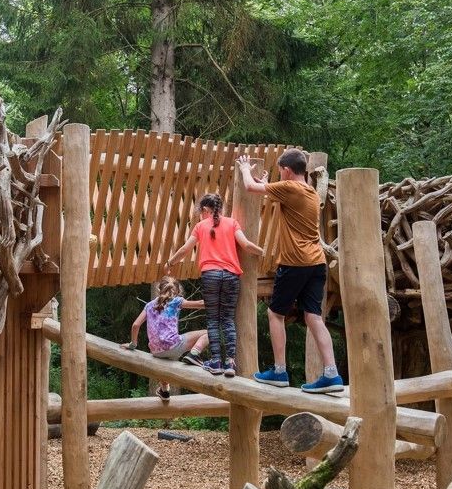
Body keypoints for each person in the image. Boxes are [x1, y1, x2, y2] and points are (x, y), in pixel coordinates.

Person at [237, 150, 345, 393]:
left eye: (280, 171)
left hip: (295, 262)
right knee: (314, 317)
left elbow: (249, 188)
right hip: (316, 263)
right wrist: (266, 183)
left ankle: (279, 370)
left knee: (276, 314)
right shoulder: (307, 191)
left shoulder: (289, 188)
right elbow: (276, 194)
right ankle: (331, 374)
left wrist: (245, 170)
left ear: (286, 170)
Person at [164, 193, 265, 376]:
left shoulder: (200, 226)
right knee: (227, 319)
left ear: (205, 210)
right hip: (231, 276)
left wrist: (170, 263)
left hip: (210, 275)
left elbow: (185, 249)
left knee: (212, 320)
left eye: (200, 212)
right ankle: (231, 363)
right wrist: (262, 251)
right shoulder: (232, 223)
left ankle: (216, 362)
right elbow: (246, 245)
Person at [122, 276, 209, 399]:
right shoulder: (177, 301)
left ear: (159, 290)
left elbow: (136, 325)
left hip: (156, 351)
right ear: (178, 292)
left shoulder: (149, 305)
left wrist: (132, 345)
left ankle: (164, 390)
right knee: (208, 333)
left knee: (166, 365)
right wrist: (220, 301)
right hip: (173, 346)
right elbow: (201, 304)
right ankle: (194, 354)